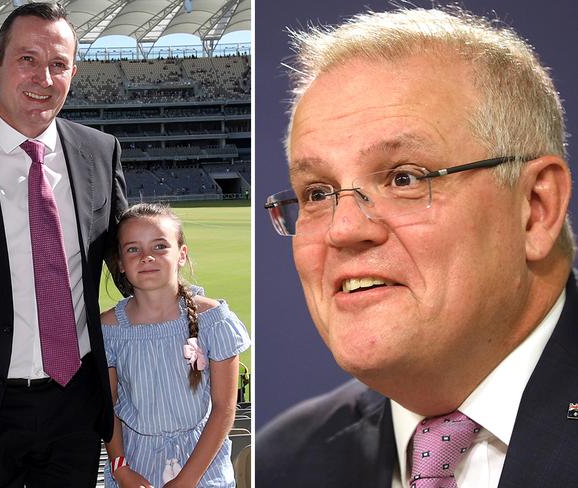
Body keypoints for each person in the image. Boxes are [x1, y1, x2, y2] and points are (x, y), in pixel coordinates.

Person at [258, 6, 578, 487]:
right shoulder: (280, 463)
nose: (343, 229)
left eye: (404, 178)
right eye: (318, 193)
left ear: (535, 208)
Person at [0, 3, 127, 487]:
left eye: (58, 64)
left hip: (74, 405)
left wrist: (188, 303)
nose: (44, 76)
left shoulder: (101, 152)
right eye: (28, 59)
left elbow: (129, 265)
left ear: (73, 74)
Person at [101, 203, 250, 488]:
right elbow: (108, 407)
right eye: (133, 249)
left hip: (203, 470)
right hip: (135, 470)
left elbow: (224, 408)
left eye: (159, 246)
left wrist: (187, 480)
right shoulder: (109, 329)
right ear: (120, 262)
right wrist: (121, 468)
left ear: (181, 254)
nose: (146, 257)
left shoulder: (213, 320)